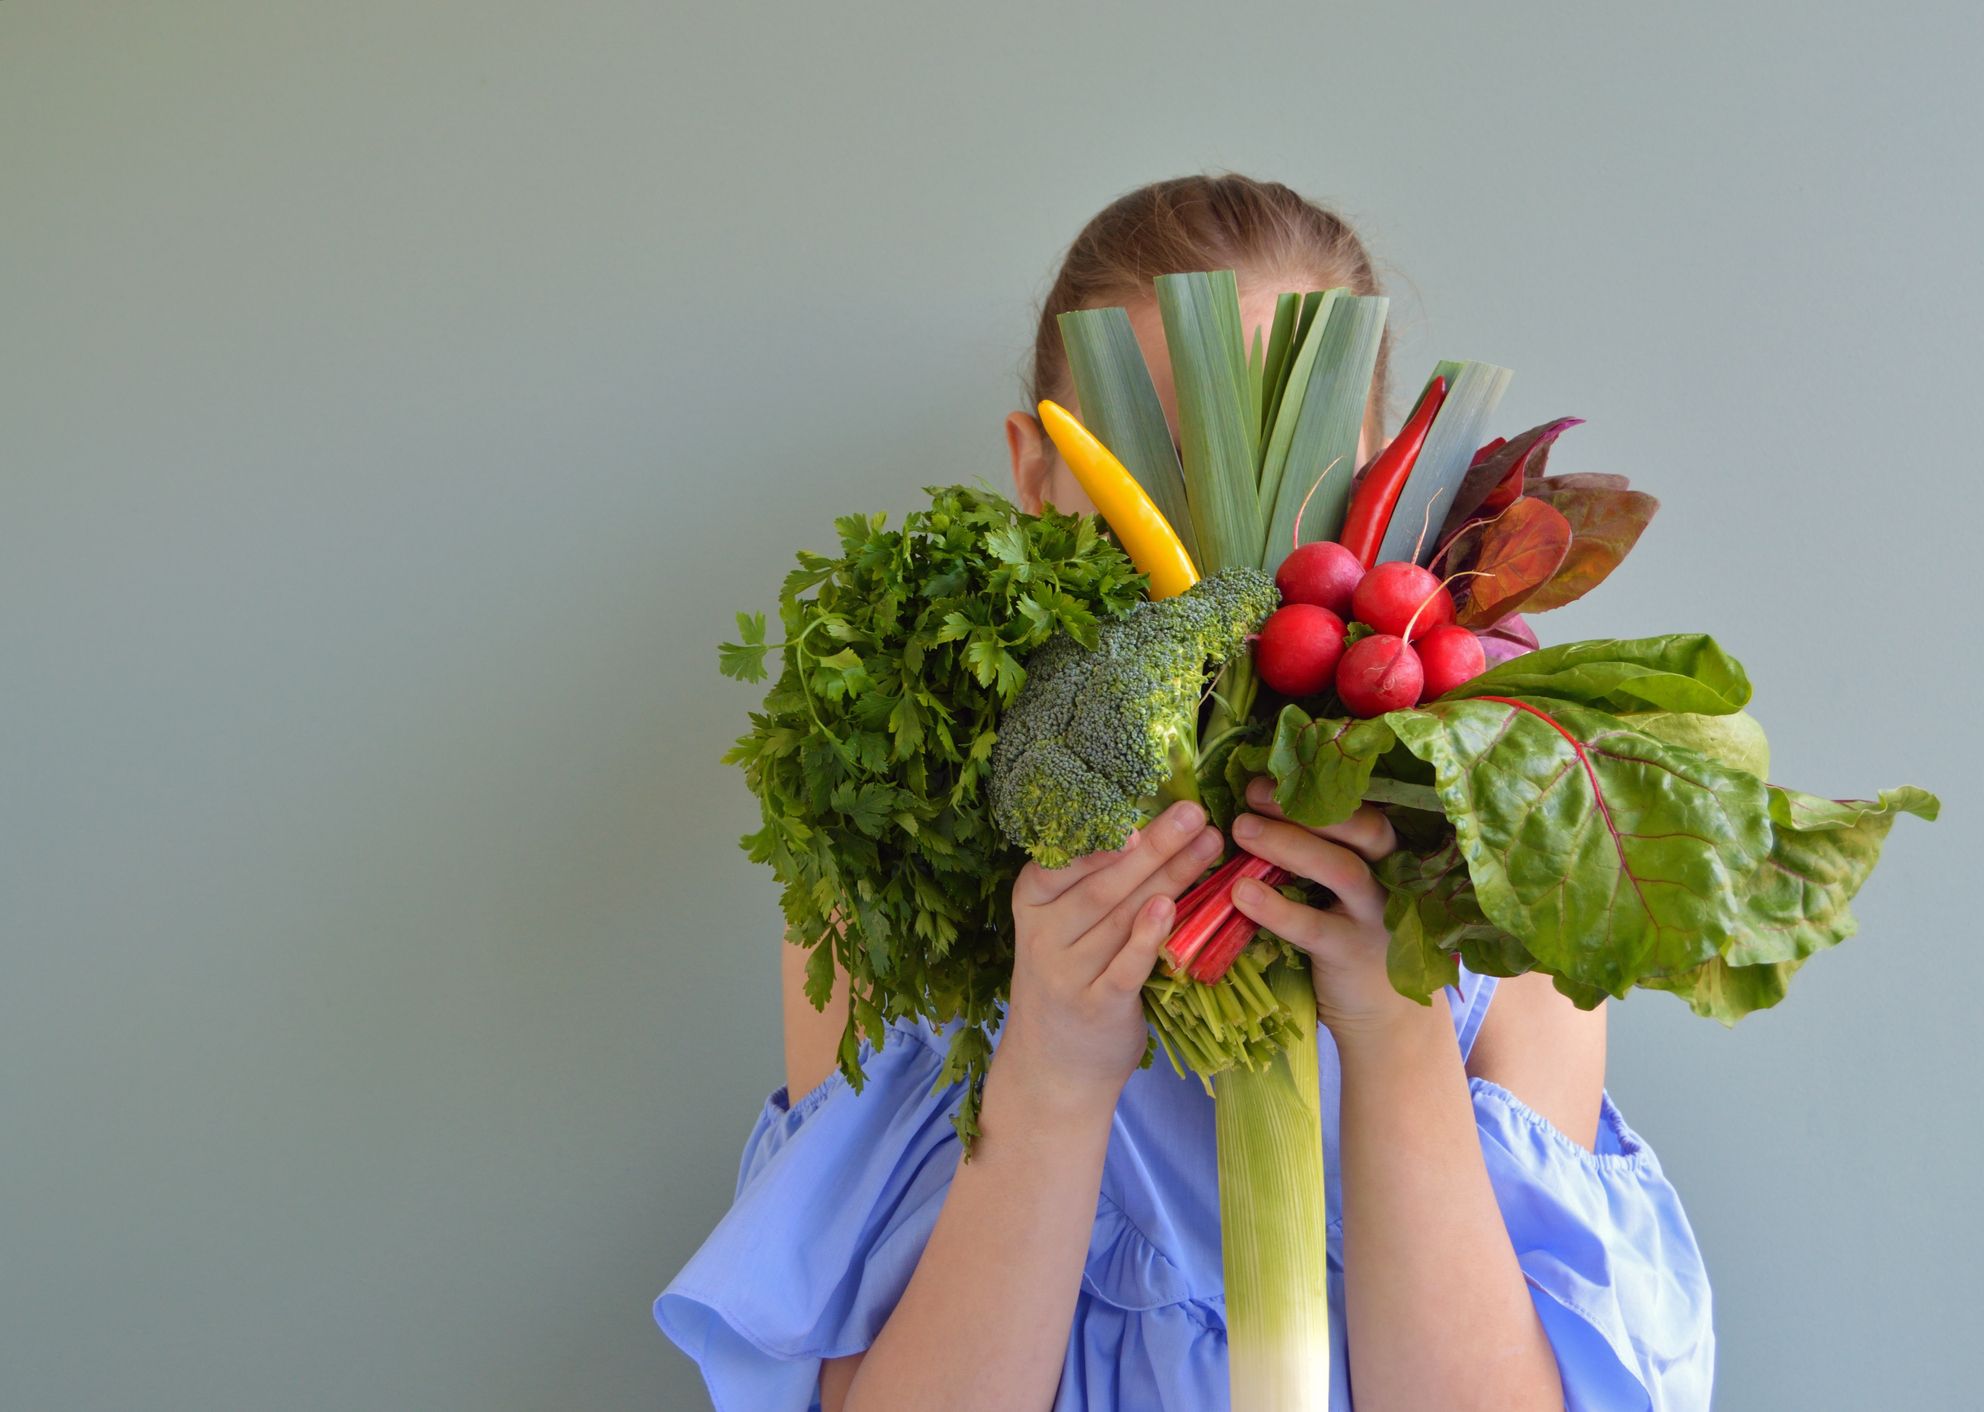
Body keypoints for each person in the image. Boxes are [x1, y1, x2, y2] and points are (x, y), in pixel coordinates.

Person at [656, 175, 1715, 1411]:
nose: (1221, 552)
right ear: (1039, 472)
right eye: (1154, 469)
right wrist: (1050, 1067)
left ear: (1385, 482)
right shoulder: (882, 861)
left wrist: (1394, 1029)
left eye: (1289, 479)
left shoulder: (1490, 848)